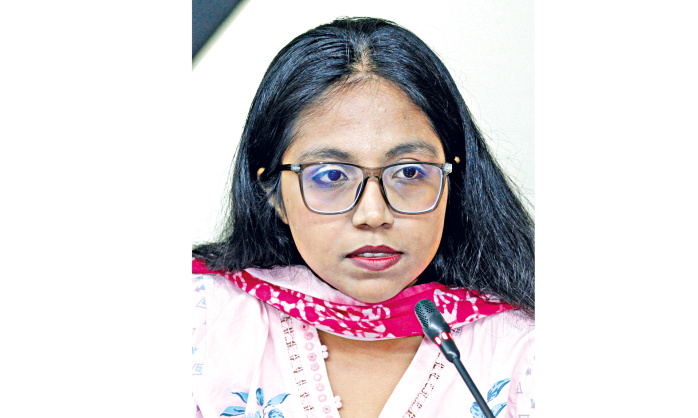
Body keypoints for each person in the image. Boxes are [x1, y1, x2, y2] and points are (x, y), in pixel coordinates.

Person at [192, 17, 534, 418]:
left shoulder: (526, 349)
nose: (374, 214)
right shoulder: (199, 319)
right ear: (273, 193)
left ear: (451, 184)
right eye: (331, 176)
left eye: (410, 172)